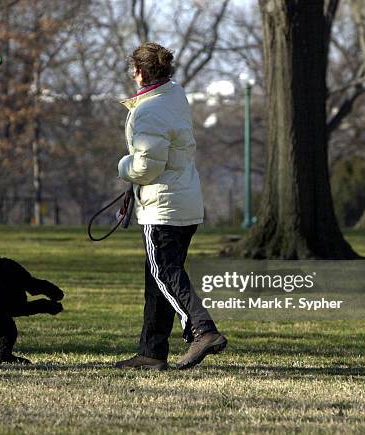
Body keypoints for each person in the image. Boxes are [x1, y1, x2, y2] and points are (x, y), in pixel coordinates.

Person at [115, 42, 227, 370]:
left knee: (165, 273)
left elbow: (148, 166)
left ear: (138, 71)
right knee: (158, 279)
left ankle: (203, 330)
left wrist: (124, 167)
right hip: (184, 201)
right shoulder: (174, 96)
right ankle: (151, 352)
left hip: (162, 207)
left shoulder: (148, 110)